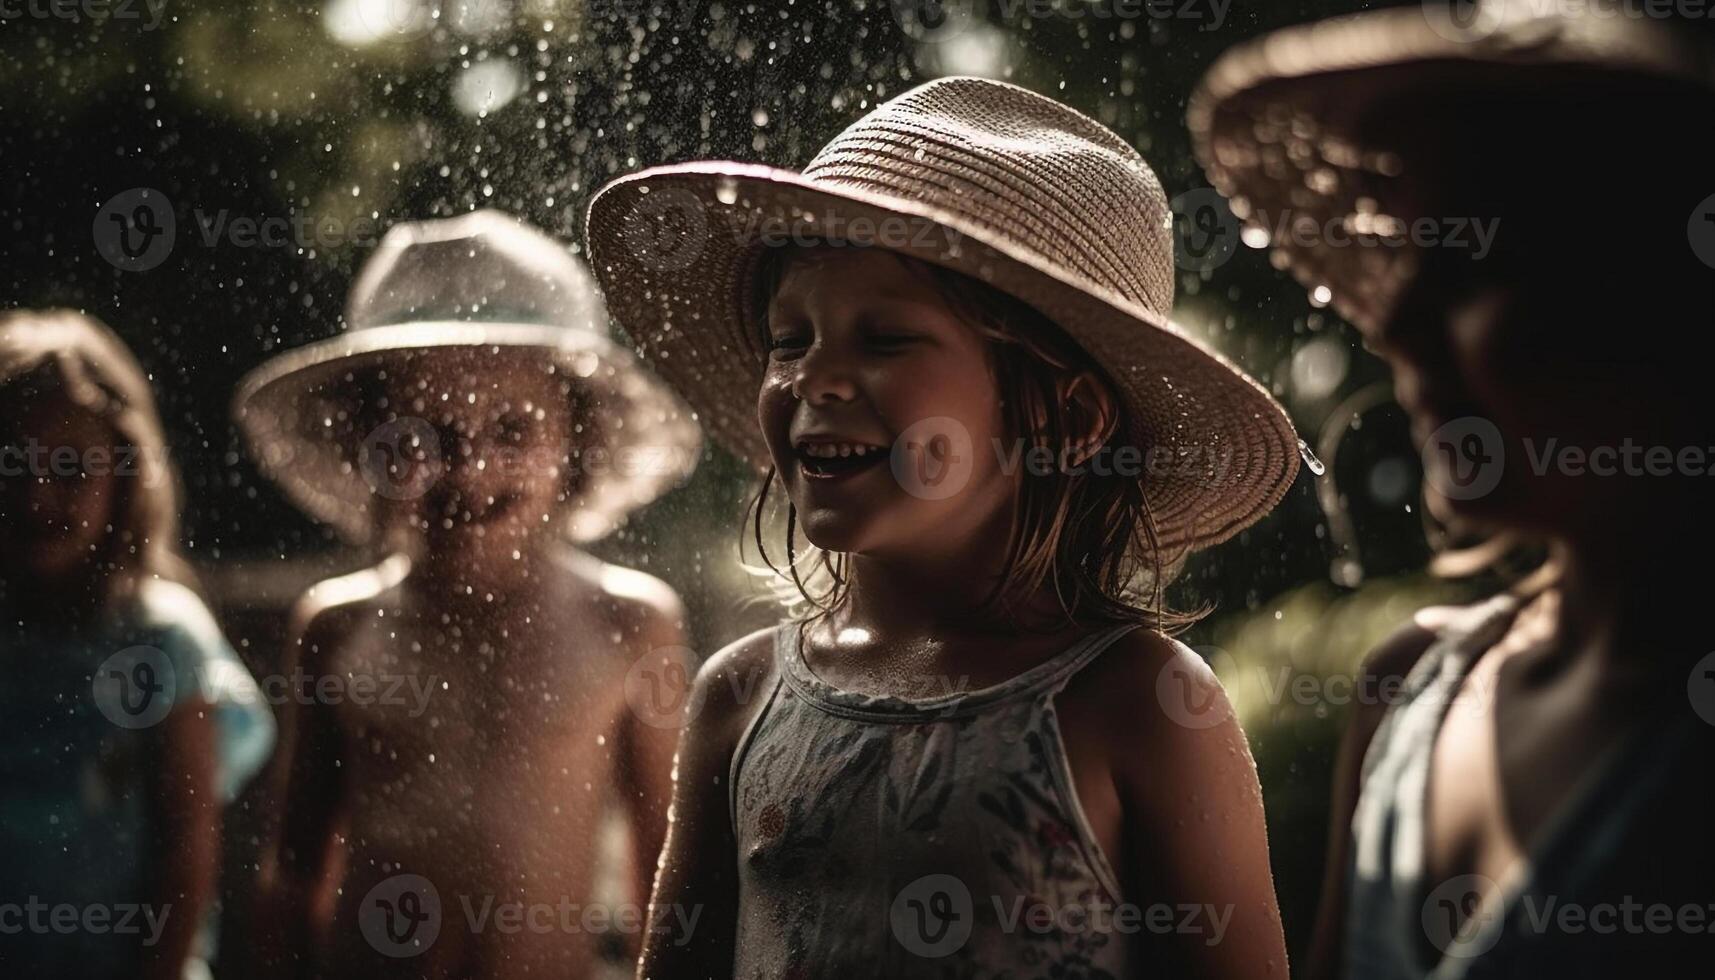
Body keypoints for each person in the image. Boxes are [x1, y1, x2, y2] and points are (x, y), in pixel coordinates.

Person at [585, 75, 1305, 977]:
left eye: (883, 340)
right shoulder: (740, 698)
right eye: (788, 340)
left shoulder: (1139, 704)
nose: (814, 379)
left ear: (1066, 420)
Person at [1191, 4, 1715, 977]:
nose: (1397, 328)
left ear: (1658, 295)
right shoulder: (1408, 687)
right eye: (1409, 263)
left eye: (1480, 263)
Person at [231, 211, 703, 979]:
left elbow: (667, 871)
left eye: (512, 431)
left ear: (575, 442)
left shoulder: (629, 625)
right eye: (424, 436)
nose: (469, 470)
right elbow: (293, 869)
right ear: (366, 445)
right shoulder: (335, 627)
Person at [0, 310, 274, 980]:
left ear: (124, 474)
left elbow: (186, 852)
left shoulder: (163, 639)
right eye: (10, 466)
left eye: (69, 468)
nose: (37, 495)